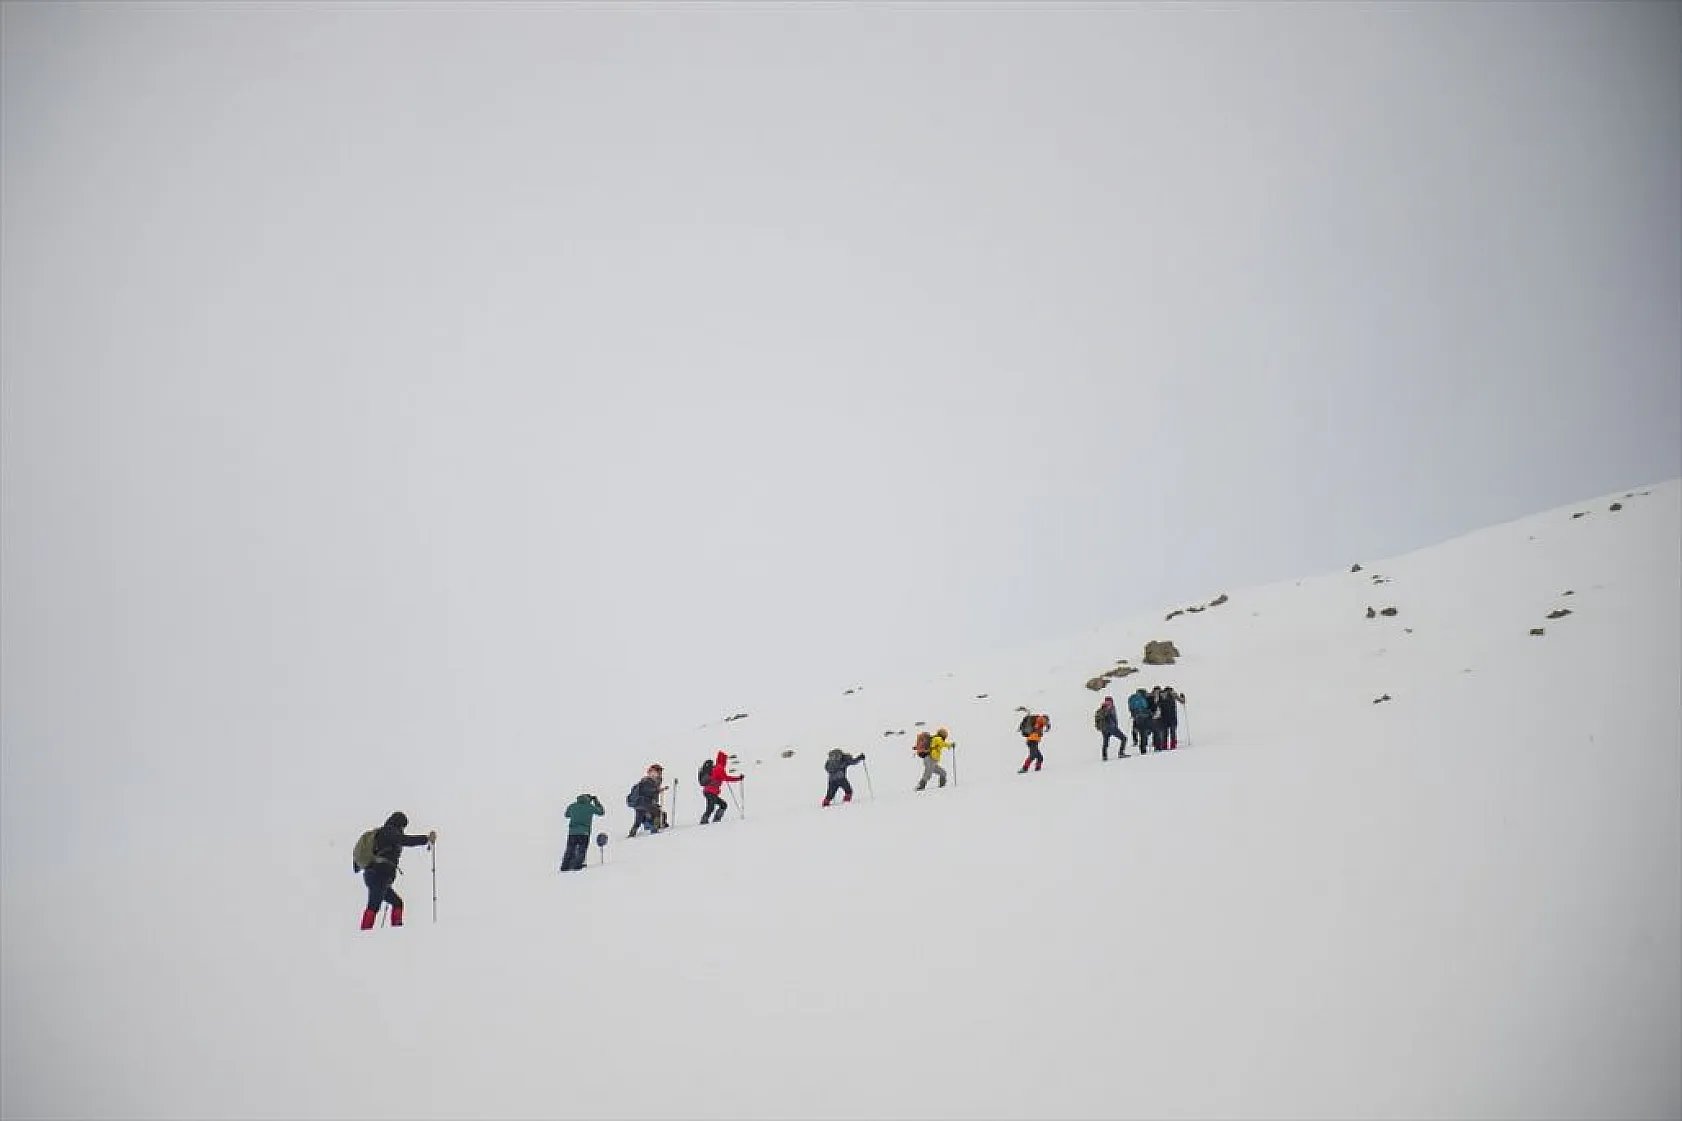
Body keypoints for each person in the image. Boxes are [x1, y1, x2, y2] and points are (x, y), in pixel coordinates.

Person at [354, 811, 436, 930]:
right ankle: (365, 933)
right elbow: (405, 840)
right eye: (403, 826)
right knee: (373, 906)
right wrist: (425, 839)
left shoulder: (384, 832)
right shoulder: (389, 832)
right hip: (379, 875)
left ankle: (396, 931)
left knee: (397, 903)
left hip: (376, 875)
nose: (403, 829)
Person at [560, 793, 605, 871]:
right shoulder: (590, 807)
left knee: (569, 850)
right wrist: (596, 801)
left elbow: (567, 815)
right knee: (581, 850)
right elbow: (601, 812)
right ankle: (577, 866)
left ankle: (565, 866)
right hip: (584, 833)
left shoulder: (572, 806)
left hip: (572, 832)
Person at [699, 750, 741, 824]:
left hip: (709, 791)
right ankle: (707, 820)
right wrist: (738, 778)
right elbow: (727, 778)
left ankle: (711, 819)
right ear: (723, 760)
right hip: (711, 791)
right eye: (725, 760)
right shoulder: (719, 768)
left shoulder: (716, 767)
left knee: (721, 805)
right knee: (713, 807)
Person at [627, 764, 666, 837]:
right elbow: (648, 791)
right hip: (644, 802)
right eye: (658, 771)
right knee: (657, 812)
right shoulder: (647, 781)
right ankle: (655, 830)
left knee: (638, 820)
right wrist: (658, 790)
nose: (660, 773)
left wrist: (658, 790)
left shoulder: (649, 780)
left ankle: (632, 834)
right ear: (653, 772)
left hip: (638, 803)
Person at [1094, 696, 1126, 760]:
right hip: (1111, 727)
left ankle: (1104, 756)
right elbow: (1113, 718)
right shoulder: (1110, 708)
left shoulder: (1101, 709)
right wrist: (1115, 726)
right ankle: (1121, 753)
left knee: (1105, 742)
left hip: (1103, 728)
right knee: (1124, 738)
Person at [1127, 688, 1155, 752]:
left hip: (1136, 718)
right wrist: (1150, 713)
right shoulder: (1141, 699)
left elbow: (1131, 708)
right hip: (1143, 718)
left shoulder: (1133, 698)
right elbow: (1144, 708)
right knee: (1144, 733)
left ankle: (1141, 746)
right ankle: (1143, 748)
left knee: (1141, 732)